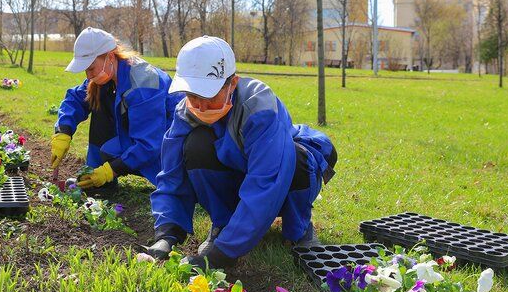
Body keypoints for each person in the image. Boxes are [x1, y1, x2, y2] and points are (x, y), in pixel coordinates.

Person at [144, 36, 337, 269]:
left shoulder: (259, 106)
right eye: (193, 95)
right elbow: (171, 176)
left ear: (232, 84)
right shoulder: (186, 111)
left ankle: (299, 228)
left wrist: (222, 254)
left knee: (296, 160)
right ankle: (224, 223)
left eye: (209, 96)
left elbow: (267, 183)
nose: (201, 107)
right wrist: (167, 233)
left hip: (286, 164)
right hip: (240, 167)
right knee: (195, 147)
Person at [51, 27, 178, 190]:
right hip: (146, 142)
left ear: (110, 56)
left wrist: (110, 170)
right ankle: (95, 176)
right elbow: (76, 99)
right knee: (97, 98)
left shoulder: (143, 84)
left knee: (112, 150)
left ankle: (103, 176)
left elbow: (149, 144)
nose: (88, 75)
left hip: (168, 150)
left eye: (90, 68)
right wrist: (63, 131)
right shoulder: (107, 74)